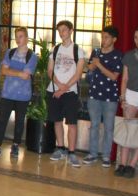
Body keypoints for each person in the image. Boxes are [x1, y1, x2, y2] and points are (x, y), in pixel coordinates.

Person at [0, 27, 38, 158]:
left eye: (21, 36)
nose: (18, 39)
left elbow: (26, 75)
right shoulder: (10, 52)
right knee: (2, 120)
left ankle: (15, 146)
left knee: (19, 121)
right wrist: (18, 72)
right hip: (8, 93)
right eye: (17, 36)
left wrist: (12, 71)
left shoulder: (32, 56)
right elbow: (3, 71)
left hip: (23, 95)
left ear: (26, 38)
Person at [47, 20, 86, 168]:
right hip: (54, 90)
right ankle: (60, 148)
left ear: (71, 31)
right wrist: (58, 85)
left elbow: (78, 73)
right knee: (57, 121)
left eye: (64, 30)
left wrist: (64, 88)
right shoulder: (55, 50)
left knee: (71, 123)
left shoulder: (78, 51)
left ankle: (71, 152)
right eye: (59, 31)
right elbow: (50, 71)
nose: (61, 33)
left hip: (70, 92)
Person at [82, 26, 122, 168]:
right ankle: (92, 153)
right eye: (102, 37)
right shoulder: (96, 52)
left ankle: (106, 155)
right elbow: (89, 69)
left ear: (114, 39)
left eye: (106, 37)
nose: (103, 40)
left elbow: (113, 77)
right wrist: (92, 65)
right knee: (94, 125)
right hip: (94, 94)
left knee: (109, 127)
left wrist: (99, 64)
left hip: (110, 97)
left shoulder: (118, 55)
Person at [116, 28, 138, 178]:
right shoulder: (129, 55)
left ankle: (132, 164)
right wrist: (123, 98)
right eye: (136, 37)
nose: (137, 40)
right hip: (130, 94)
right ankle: (123, 164)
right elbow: (124, 79)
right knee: (127, 130)